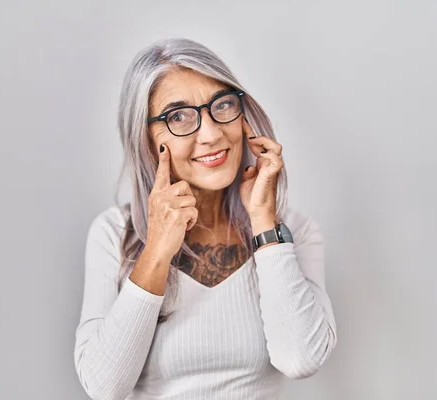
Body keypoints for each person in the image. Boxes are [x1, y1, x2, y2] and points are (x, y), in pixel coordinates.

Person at [73, 37, 337, 400]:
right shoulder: (113, 234)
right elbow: (104, 387)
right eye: (178, 116)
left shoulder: (293, 231)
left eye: (222, 105)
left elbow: (300, 359)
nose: (212, 134)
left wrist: (263, 222)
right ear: (146, 138)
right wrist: (156, 250)